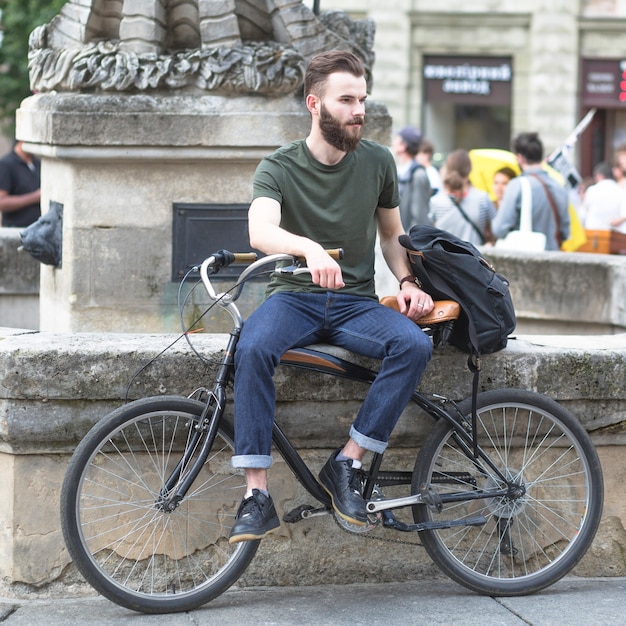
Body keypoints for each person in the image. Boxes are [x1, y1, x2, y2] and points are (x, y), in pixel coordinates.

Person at [228, 50, 434, 544]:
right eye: (346, 100)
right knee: (252, 348)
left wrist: (407, 282)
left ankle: (348, 461)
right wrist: (307, 249)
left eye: (362, 99)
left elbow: (391, 236)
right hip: (293, 297)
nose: (358, 109)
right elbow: (260, 229)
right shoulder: (278, 166)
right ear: (314, 104)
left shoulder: (380, 161)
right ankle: (256, 494)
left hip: (355, 301)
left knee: (413, 345)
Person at [492, 132, 570, 250]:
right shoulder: (559, 187)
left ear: (520, 157)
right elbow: (565, 233)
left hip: (525, 259)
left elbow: (499, 229)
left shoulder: (516, 186)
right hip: (553, 259)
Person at [429, 149, 496, 247]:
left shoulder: (436, 201)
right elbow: (493, 232)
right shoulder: (482, 199)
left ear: (447, 168)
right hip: (473, 258)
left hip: (444, 258)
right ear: (470, 170)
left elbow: (432, 232)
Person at [392, 125, 432, 231]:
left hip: (408, 242)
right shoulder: (397, 170)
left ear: (403, 146)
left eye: (397, 138)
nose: (394, 141)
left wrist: (410, 244)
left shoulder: (418, 175)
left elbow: (419, 217)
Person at [0, 140, 41, 227]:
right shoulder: (6, 164)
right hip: (16, 231)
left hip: (38, 230)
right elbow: (1, 201)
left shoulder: (37, 163)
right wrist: (34, 197)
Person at [578, 161, 624, 230]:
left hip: (592, 234)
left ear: (599, 175)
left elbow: (582, 214)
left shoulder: (592, 190)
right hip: (614, 235)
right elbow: (623, 214)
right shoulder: (621, 191)